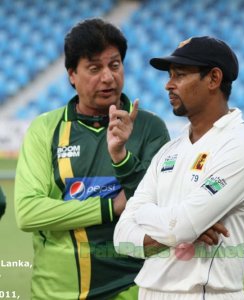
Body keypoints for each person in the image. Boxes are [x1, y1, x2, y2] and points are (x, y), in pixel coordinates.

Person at [14, 18, 170, 300]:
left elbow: (159, 207)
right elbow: (28, 212)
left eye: (114, 65)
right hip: (56, 292)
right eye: (94, 68)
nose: (108, 77)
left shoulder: (150, 128)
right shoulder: (45, 129)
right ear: (72, 74)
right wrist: (111, 206)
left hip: (134, 289)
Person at [114, 36, 244, 299]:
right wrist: (184, 228)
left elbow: (181, 226)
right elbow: (122, 238)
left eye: (180, 75)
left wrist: (147, 214)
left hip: (203, 293)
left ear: (214, 79)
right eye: (171, 75)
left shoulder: (242, 143)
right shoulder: (169, 151)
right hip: (149, 292)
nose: (168, 85)